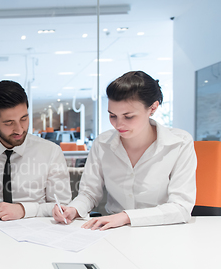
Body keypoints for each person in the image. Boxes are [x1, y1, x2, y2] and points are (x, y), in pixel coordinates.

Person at [53, 71, 196, 230]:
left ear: (153, 108)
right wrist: (73, 209)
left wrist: (126, 217)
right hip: (116, 231)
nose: (118, 124)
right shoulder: (102, 144)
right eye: (112, 115)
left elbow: (181, 207)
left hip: (163, 229)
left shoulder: (179, 143)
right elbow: (89, 194)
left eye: (128, 116)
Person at [0, 80, 71, 221]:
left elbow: (62, 206)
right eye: (9, 123)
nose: (19, 129)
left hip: (36, 232)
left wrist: (23, 209)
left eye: (24, 119)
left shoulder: (51, 152)